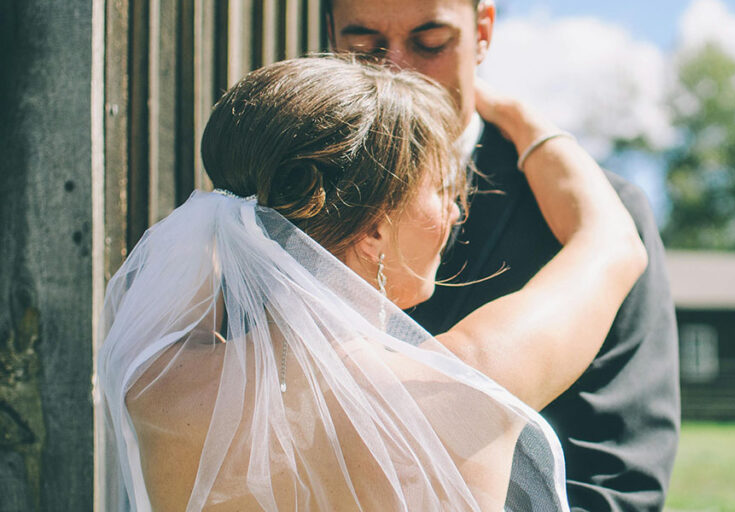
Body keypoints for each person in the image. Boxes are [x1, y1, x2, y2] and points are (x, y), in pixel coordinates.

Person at [98, 56, 646, 511]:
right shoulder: (468, 381)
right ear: (376, 230)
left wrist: (247, 212)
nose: (455, 213)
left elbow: (209, 236)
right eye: (442, 190)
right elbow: (613, 242)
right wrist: (517, 116)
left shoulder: (156, 383)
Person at [327, 1, 681, 510]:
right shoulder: (283, 205)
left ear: (483, 31)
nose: (398, 70)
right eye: (365, 46)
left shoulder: (602, 206)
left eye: (431, 43)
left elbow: (617, 479)